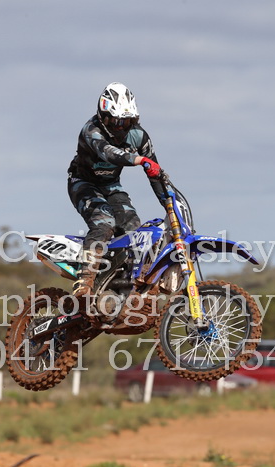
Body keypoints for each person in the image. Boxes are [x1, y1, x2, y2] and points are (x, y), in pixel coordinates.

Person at [67, 82, 163, 304]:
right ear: (103, 117)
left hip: (111, 186)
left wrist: (169, 203)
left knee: (134, 229)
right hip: (83, 183)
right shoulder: (91, 131)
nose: (120, 127)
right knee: (105, 223)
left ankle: (127, 285)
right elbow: (109, 153)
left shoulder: (139, 136)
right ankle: (85, 281)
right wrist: (139, 159)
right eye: (116, 121)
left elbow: (154, 172)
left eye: (126, 122)